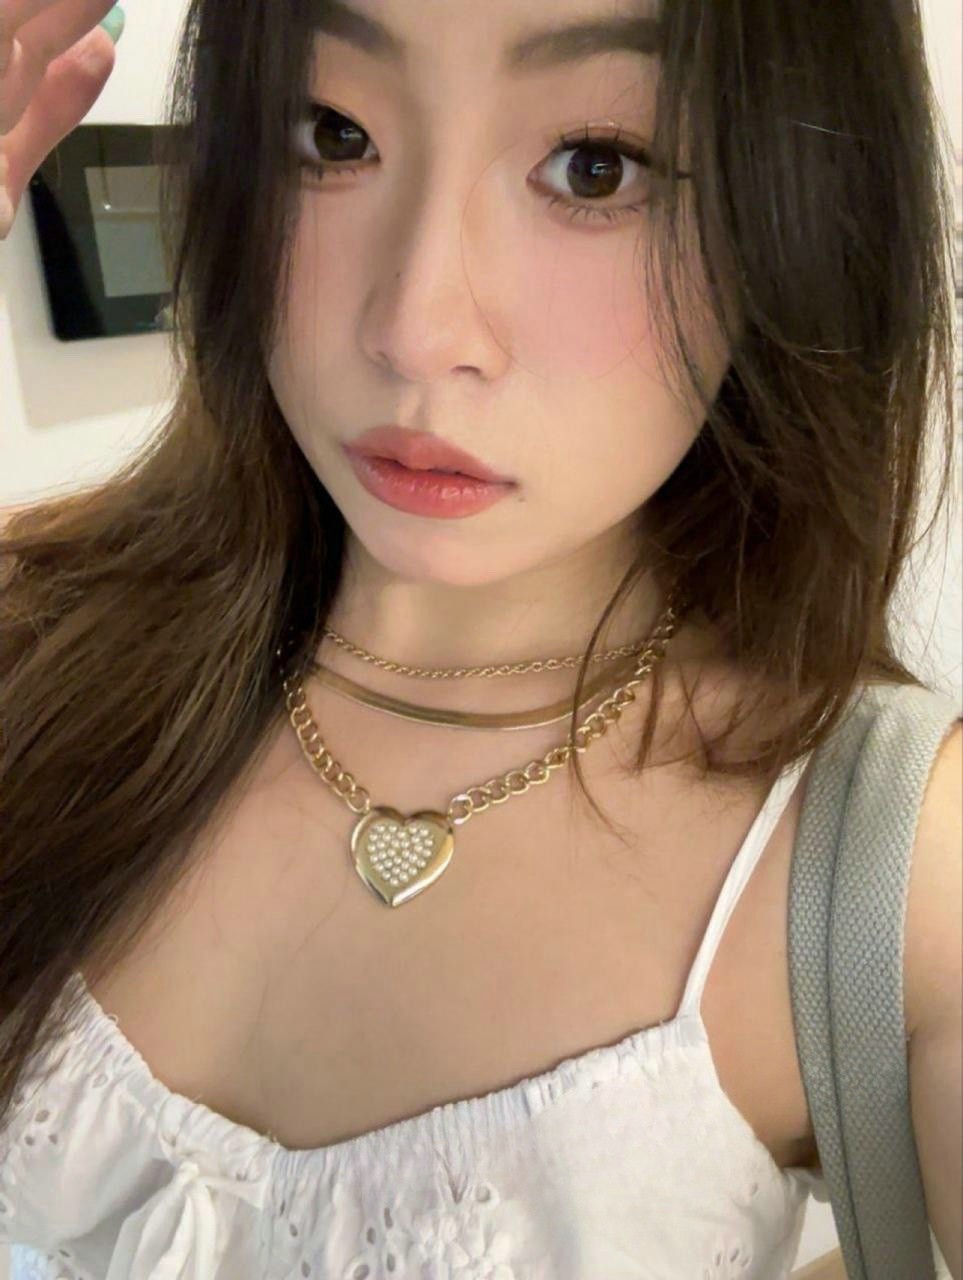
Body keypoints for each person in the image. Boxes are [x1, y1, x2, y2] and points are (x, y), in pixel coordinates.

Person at [0, 1, 960, 1277]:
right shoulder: (37, 639)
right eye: (330, 132)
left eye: (596, 167)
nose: (417, 327)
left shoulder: (897, 870)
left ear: (799, 215)